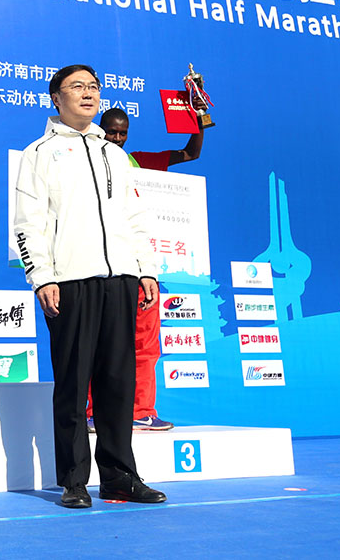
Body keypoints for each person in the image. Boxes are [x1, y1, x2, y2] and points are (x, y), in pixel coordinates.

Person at [13, 64, 166, 509]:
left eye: (94, 87)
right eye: (77, 86)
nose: (88, 93)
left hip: (120, 280)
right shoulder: (39, 153)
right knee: (73, 385)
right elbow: (28, 222)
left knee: (118, 383)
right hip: (70, 282)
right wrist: (42, 276)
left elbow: (135, 218)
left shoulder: (113, 154)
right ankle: (74, 481)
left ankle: (119, 477)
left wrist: (146, 269)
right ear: (55, 98)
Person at [88, 105, 209, 432]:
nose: (116, 138)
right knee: (98, 343)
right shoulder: (84, 161)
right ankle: (95, 413)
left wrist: (198, 119)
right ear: (99, 128)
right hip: (99, 268)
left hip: (140, 267)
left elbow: (190, 153)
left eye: (122, 133)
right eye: (111, 131)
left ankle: (140, 411)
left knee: (144, 345)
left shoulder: (138, 162)